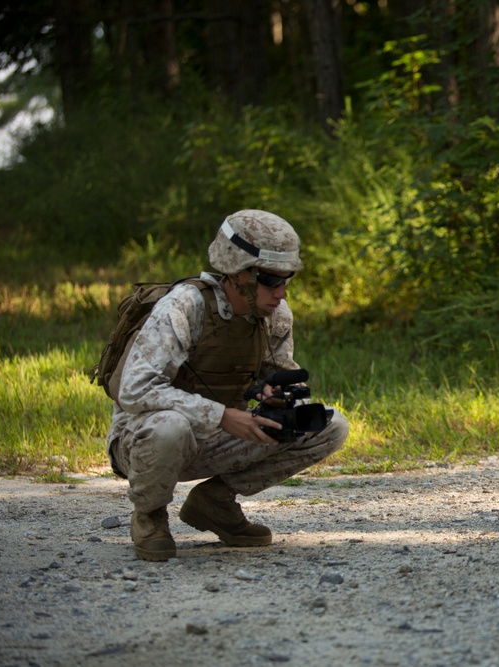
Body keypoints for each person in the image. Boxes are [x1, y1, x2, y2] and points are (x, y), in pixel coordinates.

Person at [106, 209, 350, 561]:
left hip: (217, 437)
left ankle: (215, 502)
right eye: (270, 280)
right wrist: (221, 415)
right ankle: (149, 515)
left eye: (287, 280)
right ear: (239, 274)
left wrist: (273, 395)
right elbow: (135, 390)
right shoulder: (184, 307)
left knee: (328, 424)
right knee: (170, 426)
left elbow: (275, 373)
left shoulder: (274, 315)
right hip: (145, 441)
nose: (281, 292)